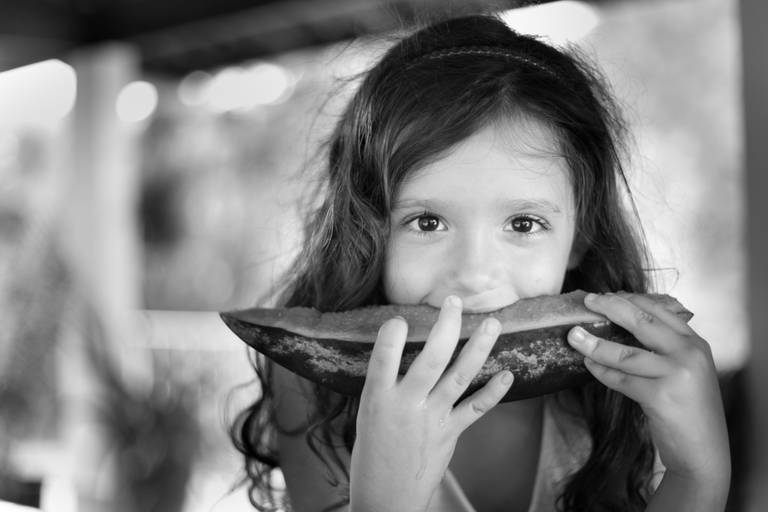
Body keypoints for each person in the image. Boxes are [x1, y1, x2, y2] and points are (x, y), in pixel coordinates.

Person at [230, 13, 731, 512]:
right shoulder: (313, 385)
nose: (472, 274)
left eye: (523, 224)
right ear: (367, 232)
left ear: (580, 240)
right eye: (428, 222)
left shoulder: (627, 394)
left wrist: (697, 475)